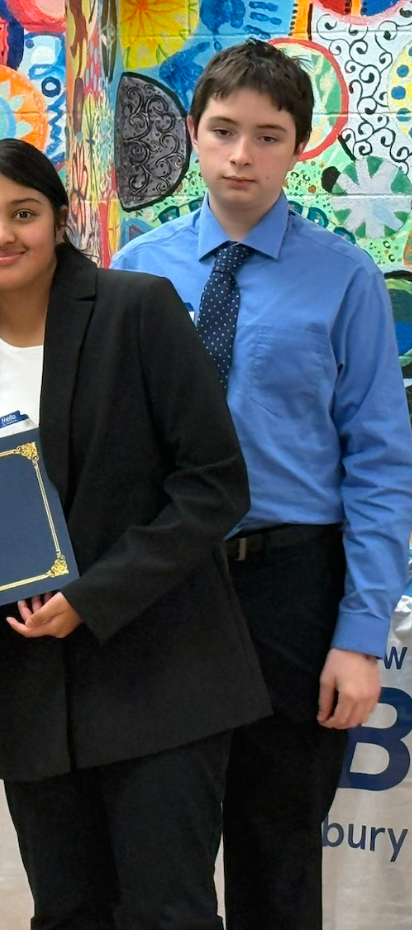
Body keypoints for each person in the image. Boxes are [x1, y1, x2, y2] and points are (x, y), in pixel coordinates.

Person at [0, 137, 271, 930]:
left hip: (161, 675)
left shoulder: (137, 310)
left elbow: (214, 484)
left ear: (60, 219)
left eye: (22, 213)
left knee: (167, 915)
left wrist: (92, 597)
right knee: (66, 912)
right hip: (35, 695)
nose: (1, 234)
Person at [111, 39, 412, 930]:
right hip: (166, 585)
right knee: (160, 856)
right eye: (224, 130)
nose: (242, 155)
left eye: (268, 136)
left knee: (278, 857)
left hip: (291, 589)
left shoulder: (345, 277)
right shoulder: (135, 270)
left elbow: (380, 463)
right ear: (194, 132)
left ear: (298, 146)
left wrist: (360, 635)